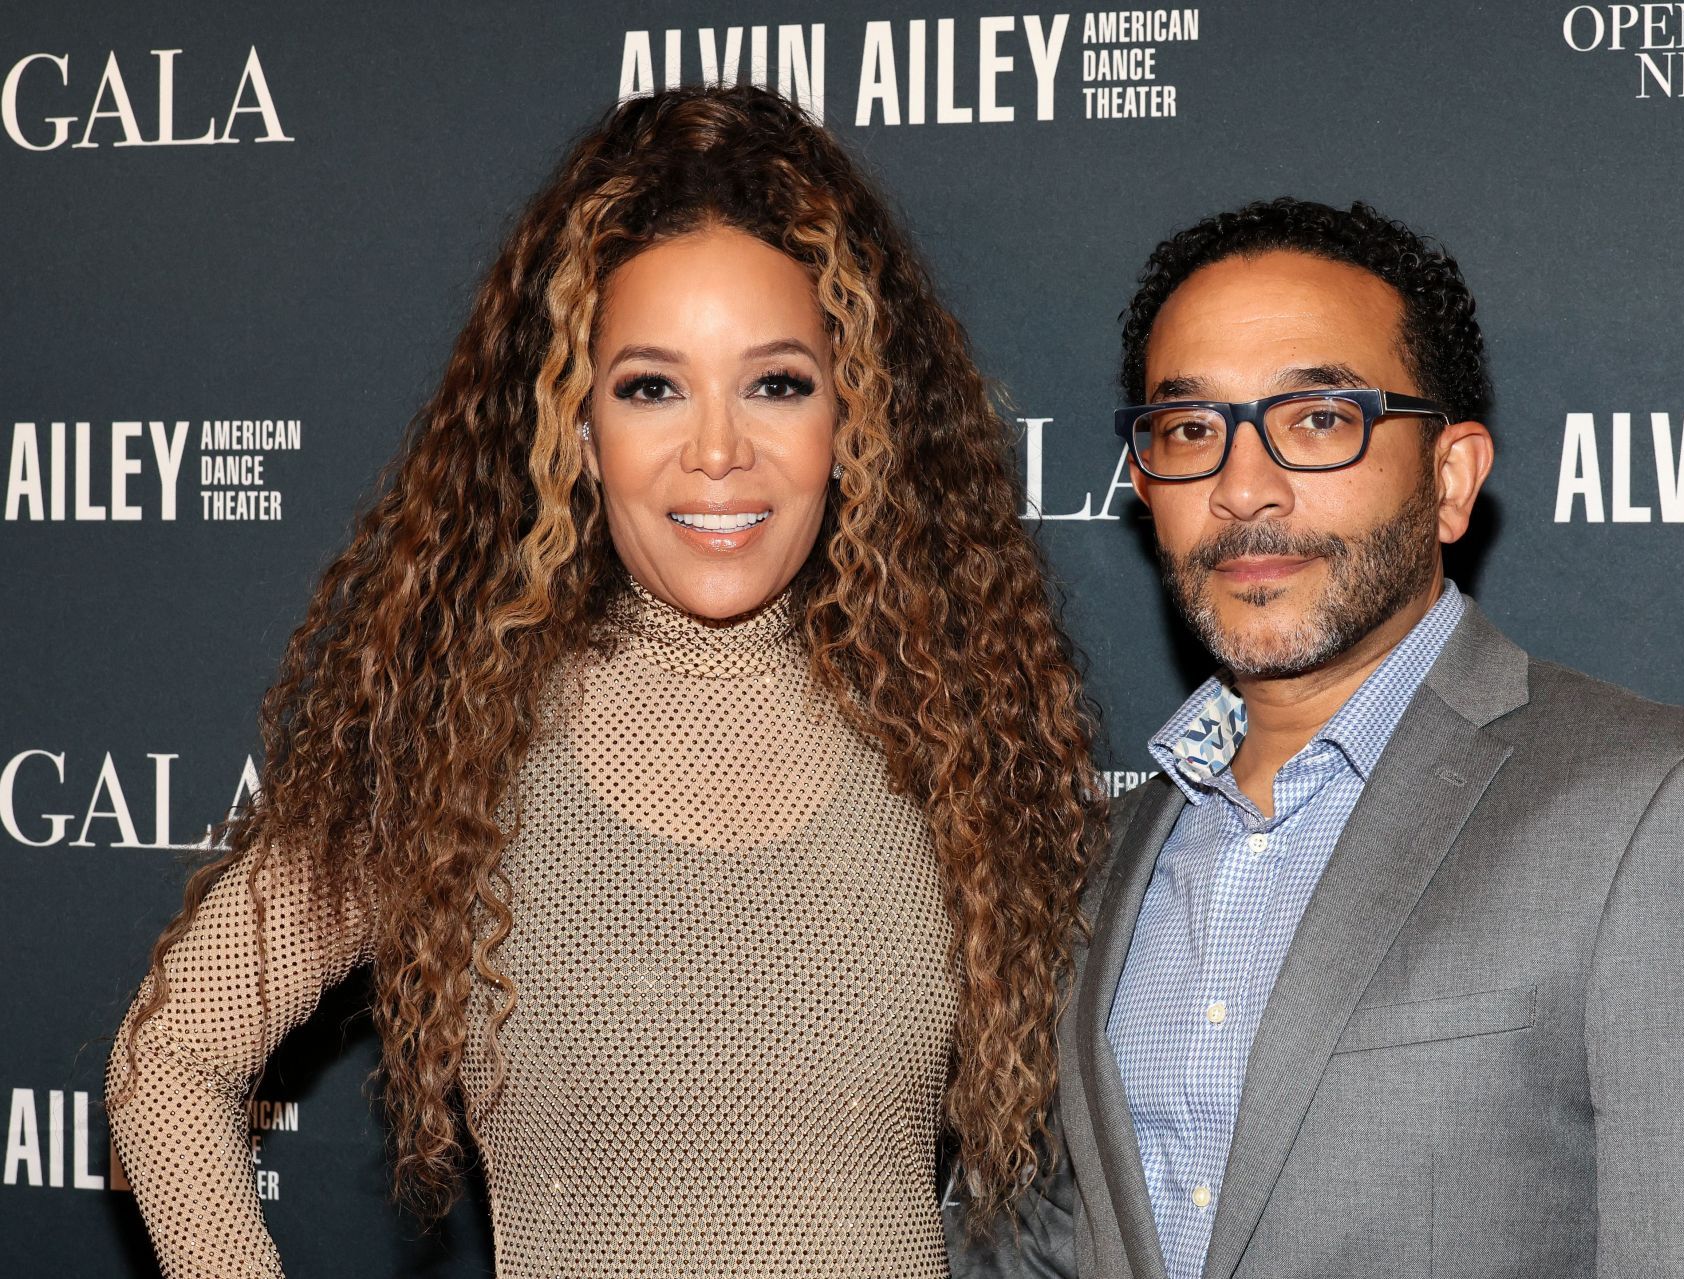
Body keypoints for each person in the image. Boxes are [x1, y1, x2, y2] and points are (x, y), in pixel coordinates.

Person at [106, 85, 1102, 1279]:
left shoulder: (961, 740)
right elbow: (167, 1063)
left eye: (778, 382)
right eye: (651, 387)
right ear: (577, 429)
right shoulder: (460, 750)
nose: (719, 450)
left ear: (855, 416)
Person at [1047, 198, 1684, 1278]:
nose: (1244, 487)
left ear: (1449, 479)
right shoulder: (1100, 856)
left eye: (1317, 418)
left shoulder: (1676, 812)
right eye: (1190, 430)